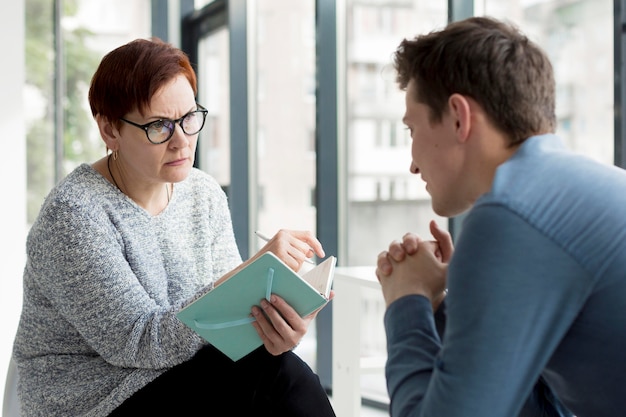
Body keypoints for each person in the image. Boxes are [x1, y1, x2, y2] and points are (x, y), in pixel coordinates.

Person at [12, 38, 336, 417]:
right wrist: (252, 270)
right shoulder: (74, 216)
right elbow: (139, 342)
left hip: (181, 378)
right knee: (279, 380)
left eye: (188, 118)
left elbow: (228, 326)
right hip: (96, 401)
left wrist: (275, 327)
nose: (182, 141)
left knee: (276, 368)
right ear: (109, 130)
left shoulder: (202, 193)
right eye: (159, 127)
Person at [375, 16, 626, 417]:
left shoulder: (512, 215)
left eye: (411, 130)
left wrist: (406, 300)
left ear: (459, 117)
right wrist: (445, 305)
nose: (412, 165)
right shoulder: (568, 192)